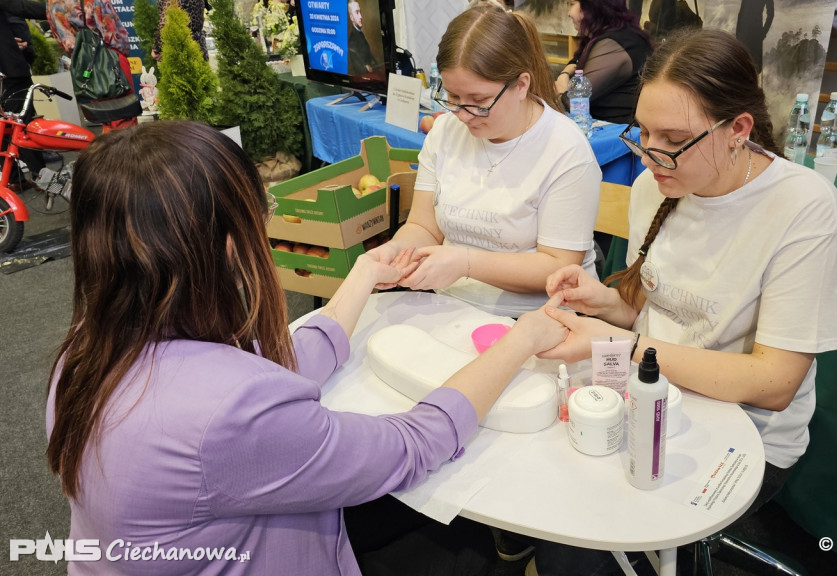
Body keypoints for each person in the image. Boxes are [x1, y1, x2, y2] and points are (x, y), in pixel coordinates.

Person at [45, 120, 569, 576]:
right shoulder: (230, 412)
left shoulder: (86, 350)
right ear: (229, 243)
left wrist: (363, 273)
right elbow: (411, 444)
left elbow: (273, 367)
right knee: (461, 538)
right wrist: (523, 338)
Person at [531, 28, 837, 574]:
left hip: (746, 434)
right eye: (643, 133)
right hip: (653, 394)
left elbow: (774, 384)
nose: (651, 156)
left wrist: (622, 344)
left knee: (579, 545)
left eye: (672, 138)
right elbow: (649, 302)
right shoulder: (655, 184)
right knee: (554, 493)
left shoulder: (803, 208)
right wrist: (602, 301)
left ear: (738, 130)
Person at [369, 3, 602, 319]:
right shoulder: (445, 132)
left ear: (522, 85)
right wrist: (393, 252)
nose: (463, 115)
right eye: (452, 97)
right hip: (450, 307)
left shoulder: (565, 149)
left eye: (479, 101)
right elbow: (424, 225)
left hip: (539, 318)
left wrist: (464, 263)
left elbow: (558, 266)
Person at [46, 0, 139, 131]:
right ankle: (124, 150)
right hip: (110, 58)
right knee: (124, 115)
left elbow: (59, 35)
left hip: (83, 62)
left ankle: (107, 149)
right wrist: (122, 53)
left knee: (105, 116)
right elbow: (113, 33)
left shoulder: (52, 3)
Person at [556, 0, 654, 124]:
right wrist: (565, 73)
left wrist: (561, 85)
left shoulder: (615, 43)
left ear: (592, 7)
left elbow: (574, 101)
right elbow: (577, 60)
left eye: (572, 4)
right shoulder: (609, 36)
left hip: (613, 135)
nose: (569, 13)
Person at [1, 3, 47, 181]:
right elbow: (19, 7)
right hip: (12, 71)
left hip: (11, 68)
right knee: (23, 124)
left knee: (7, 125)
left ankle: (13, 178)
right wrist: (60, 7)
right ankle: (39, 177)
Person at [348, 0, 374, 74]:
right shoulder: (353, 39)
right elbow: (360, 69)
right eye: (357, 12)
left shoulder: (360, 33)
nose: (361, 16)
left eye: (360, 12)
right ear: (351, 18)